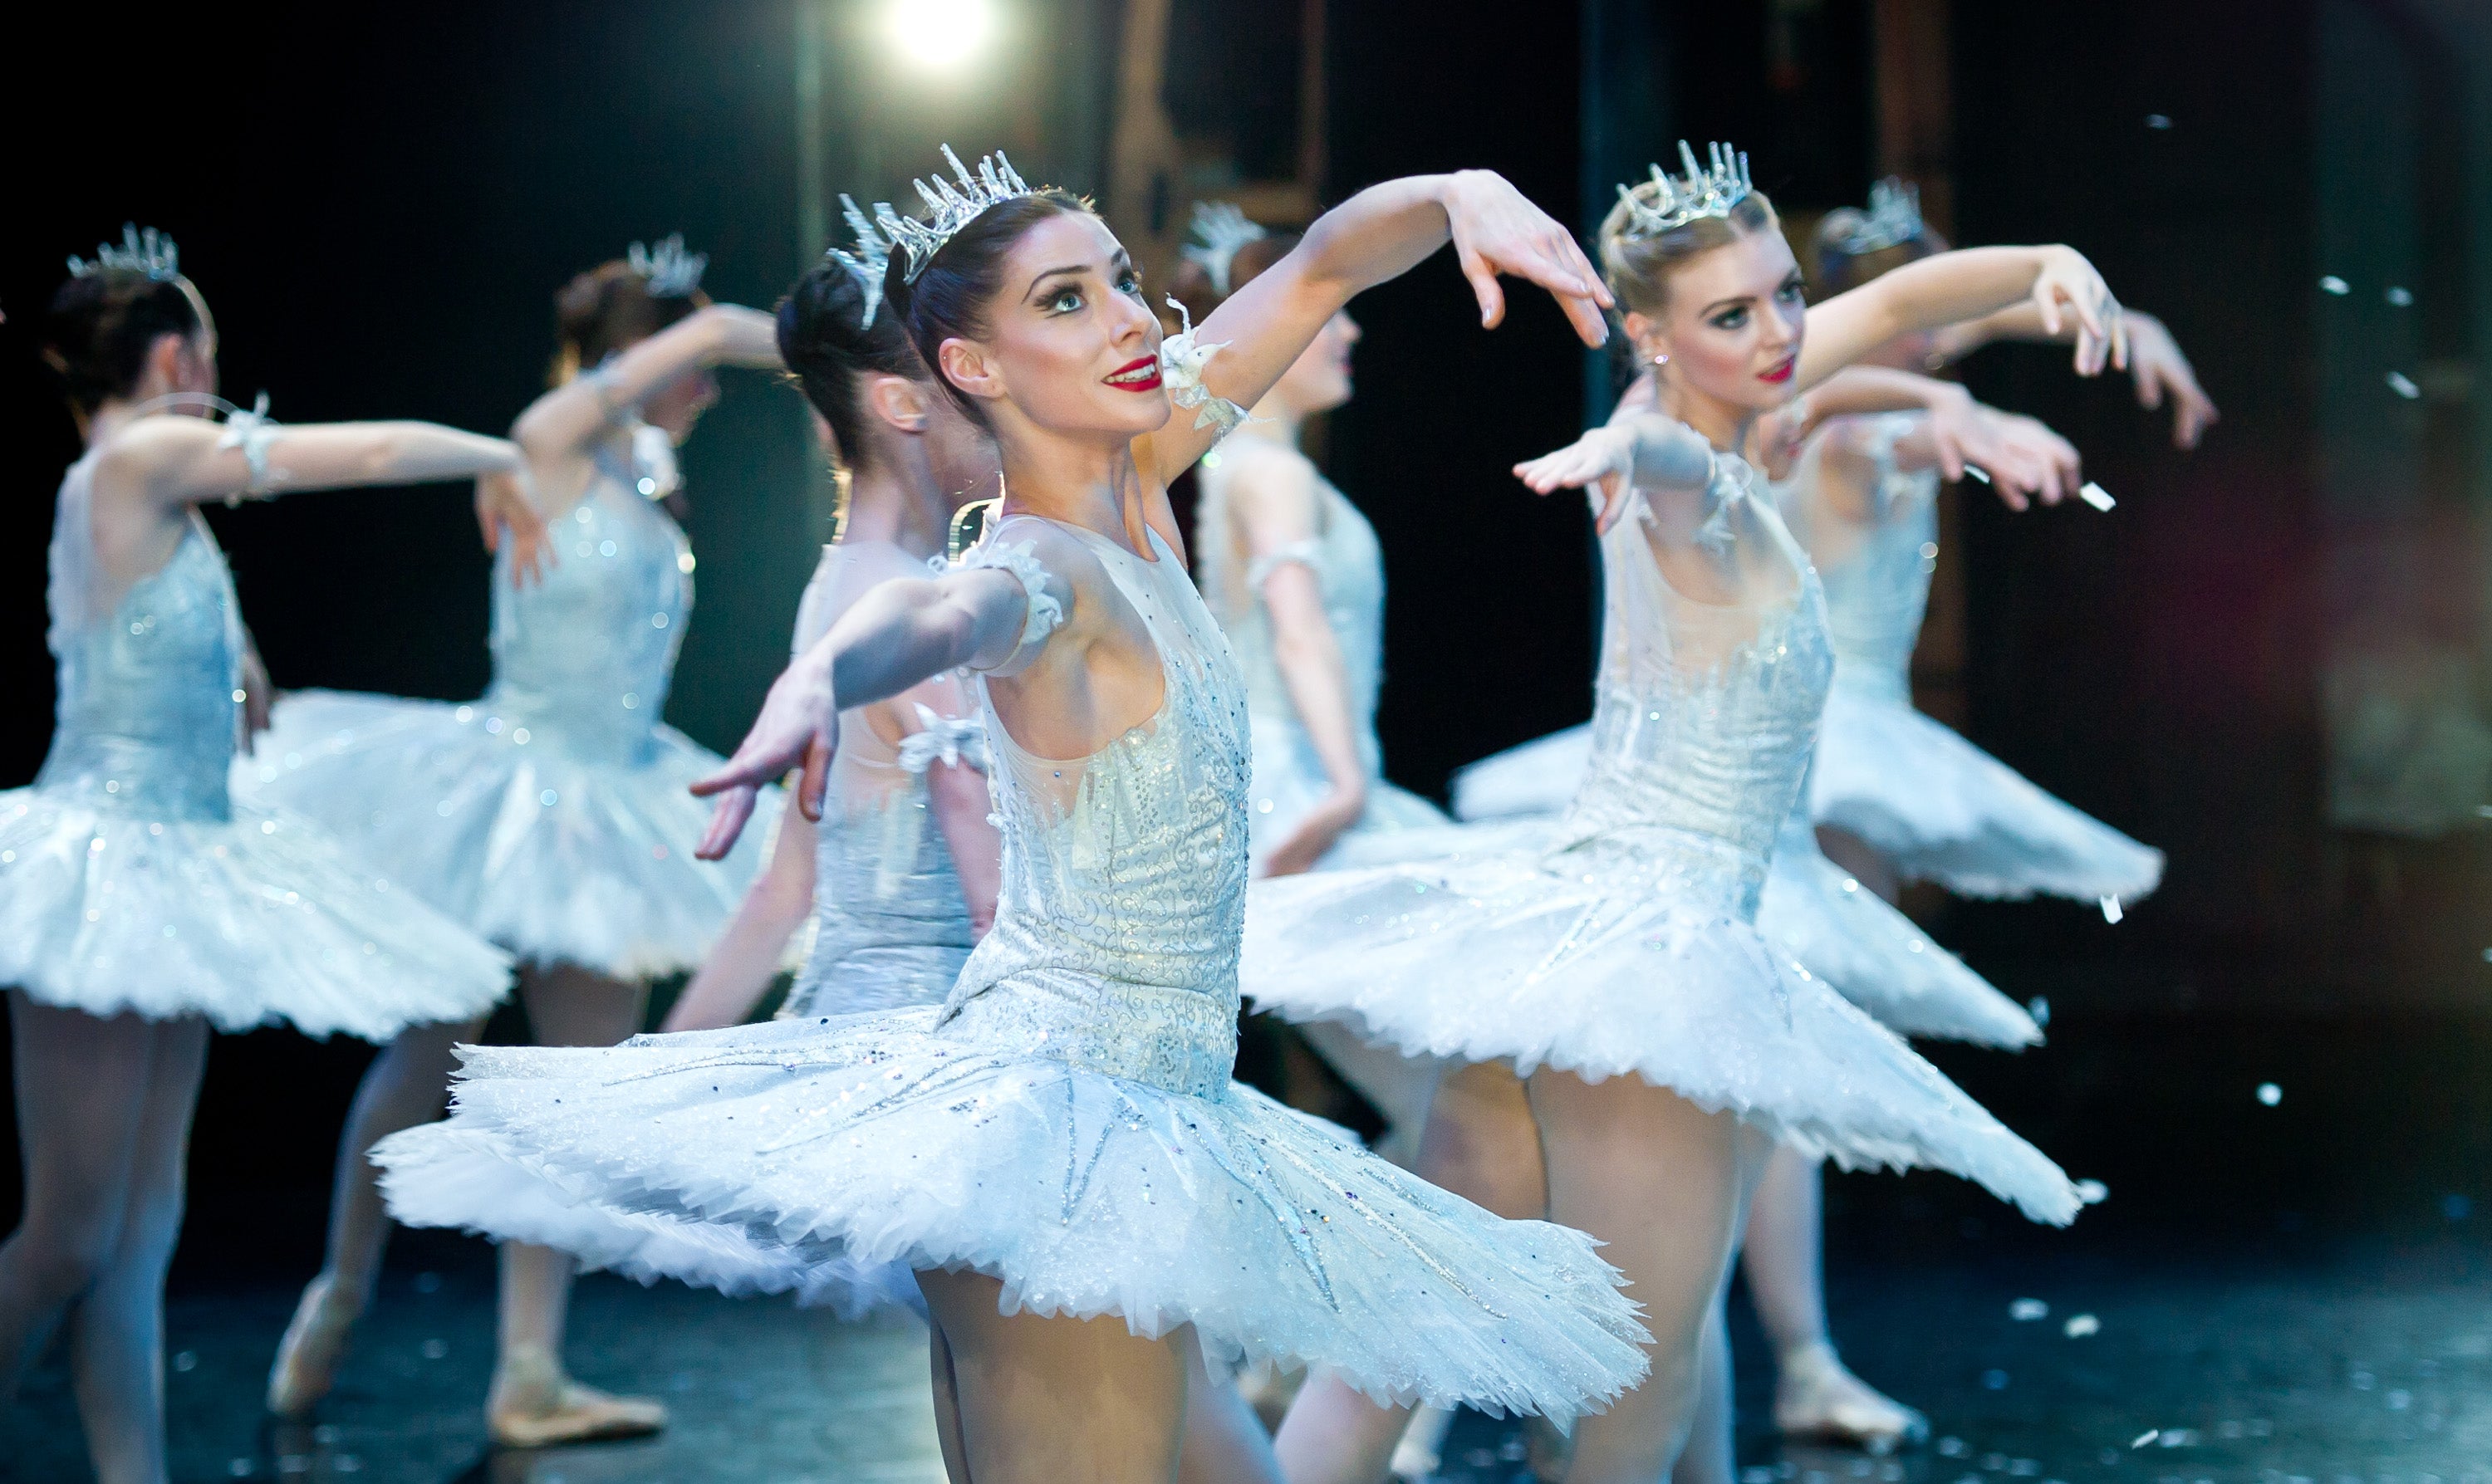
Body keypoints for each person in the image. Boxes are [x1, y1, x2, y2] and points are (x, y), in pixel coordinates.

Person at [378, 148, 1656, 1484]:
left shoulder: (1154, 464)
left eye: (1117, 282)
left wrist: (1458, 193)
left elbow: (1325, 259)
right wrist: (823, 672)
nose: (1126, 319)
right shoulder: (1034, 558)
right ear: (974, 371)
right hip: (1064, 1139)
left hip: (1148, 1118)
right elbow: (940, 614)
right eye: (1064, 301)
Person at [1244, 144, 2110, 1482]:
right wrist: (1626, 440)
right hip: (1651, 979)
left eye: (1780, 298)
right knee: (1611, 1435)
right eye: (1731, 315)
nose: (1776, 334)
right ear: (1648, 335)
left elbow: (1894, 308)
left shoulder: (1744, 404)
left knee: (1422, 1371)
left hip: (1564, 960)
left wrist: (2050, 270)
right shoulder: (1677, 470)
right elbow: (1667, 466)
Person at [0, 227, 525, 1484]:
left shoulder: (147, 498)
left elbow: (149, 635)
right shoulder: (141, 455)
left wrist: (231, 663)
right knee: (73, 1231)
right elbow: (373, 452)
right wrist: (517, 452)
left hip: (176, 859)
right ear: (177, 355)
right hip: (101, 861)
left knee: (139, 1228)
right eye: (213, 357)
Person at [243, 237, 783, 1446]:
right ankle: (339, 1287)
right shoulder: (541, 453)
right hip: (503, 794)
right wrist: (719, 331)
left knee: (568, 1100)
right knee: (426, 1049)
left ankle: (529, 1369)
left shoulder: (648, 480)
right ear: (638, 358)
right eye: (686, 362)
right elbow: (557, 414)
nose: (705, 390)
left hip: (616, 800)